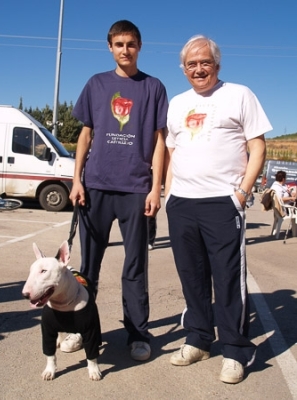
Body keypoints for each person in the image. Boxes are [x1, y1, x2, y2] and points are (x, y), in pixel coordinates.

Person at [164, 35, 272, 384]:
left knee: (227, 280)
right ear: (183, 69)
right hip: (182, 202)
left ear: (217, 65)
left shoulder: (239, 94)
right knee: (191, 277)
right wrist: (168, 194)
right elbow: (171, 151)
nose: (199, 69)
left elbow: (258, 147)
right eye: (191, 64)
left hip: (223, 202)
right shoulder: (177, 103)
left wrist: (241, 193)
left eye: (205, 62)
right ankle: (198, 338)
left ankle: (236, 350)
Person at [64, 20, 168, 362]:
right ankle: (81, 330)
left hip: (136, 189)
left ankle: (138, 334)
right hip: (95, 187)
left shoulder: (153, 87)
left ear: (140, 47)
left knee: (135, 266)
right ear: (110, 47)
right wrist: (77, 179)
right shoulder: (96, 84)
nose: (125, 50)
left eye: (131, 44)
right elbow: (85, 134)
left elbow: (159, 142)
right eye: (119, 44)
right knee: (86, 267)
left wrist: (156, 188)